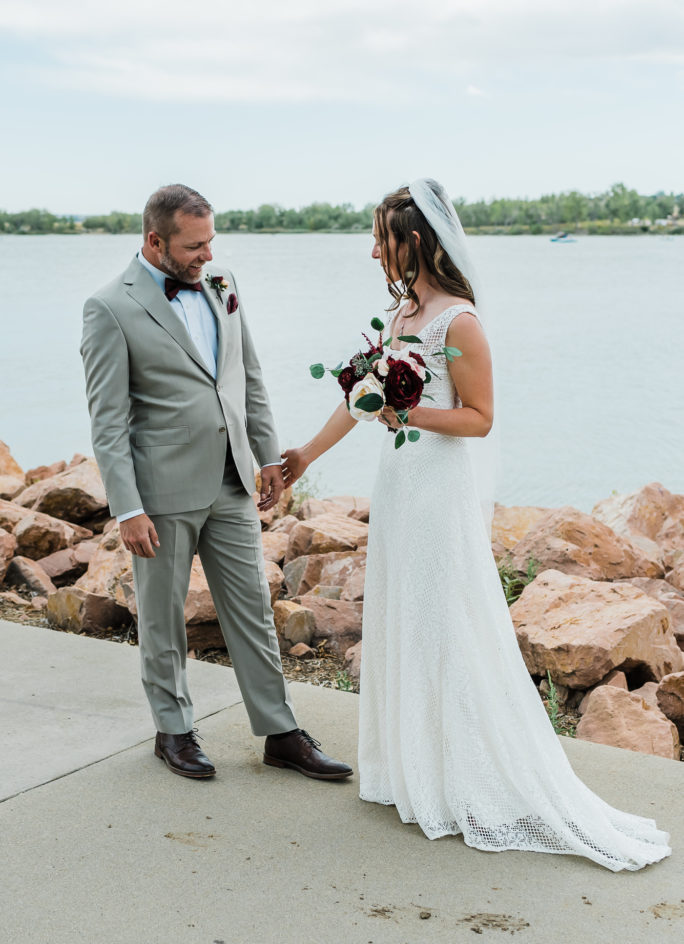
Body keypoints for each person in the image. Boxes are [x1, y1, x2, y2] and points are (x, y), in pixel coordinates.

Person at [281, 178, 671, 871]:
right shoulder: (400, 314)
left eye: (381, 240)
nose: (373, 253)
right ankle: (413, 766)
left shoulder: (459, 322)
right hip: (399, 483)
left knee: (446, 618)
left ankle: (466, 773)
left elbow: (480, 418)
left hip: (438, 487)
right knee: (404, 613)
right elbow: (359, 395)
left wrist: (409, 412)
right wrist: (305, 455)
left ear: (415, 241)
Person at [80, 183, 352, 782]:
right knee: (162, 618)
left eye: (211, 242)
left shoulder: (223, 283)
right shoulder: (109, 307)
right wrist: (127, 508)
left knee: (252, 609)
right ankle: (173, 731)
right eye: (194, 246)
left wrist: (267, 457)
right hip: (161, 492)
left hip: (232, 481)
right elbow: (108, 422)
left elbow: (247, 376)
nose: (208, 255)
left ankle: (281, 733)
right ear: (155, 241)